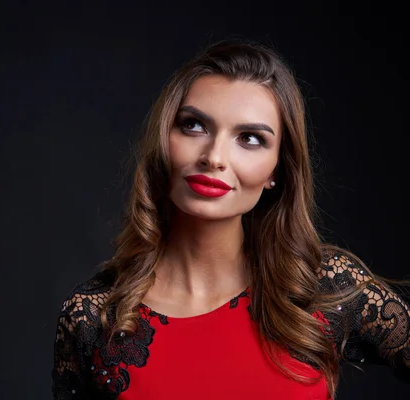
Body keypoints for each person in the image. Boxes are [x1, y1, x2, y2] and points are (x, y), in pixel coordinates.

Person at [51, 39, 410, 400]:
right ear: (164, 139)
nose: (214, 157)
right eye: (193, 126)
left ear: (277, 171)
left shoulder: (323, 289)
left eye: (250, 138)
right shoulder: (94, 315)